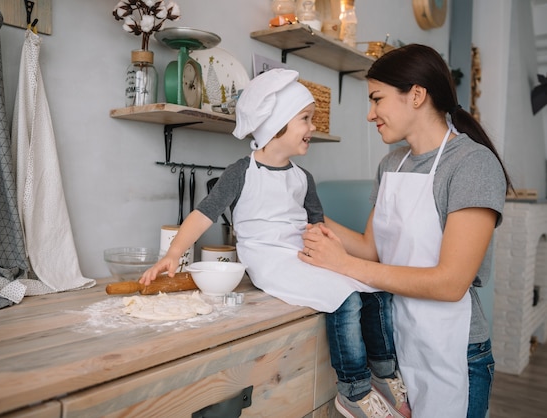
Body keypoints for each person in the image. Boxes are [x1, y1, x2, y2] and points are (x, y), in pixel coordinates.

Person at [141, 68, 410, 418]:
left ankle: (385, 373)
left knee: (374, 290)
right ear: (277, 123)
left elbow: (316, 225)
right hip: (269, 261)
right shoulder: (241, 172)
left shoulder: (304, 178)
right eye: (305, 119)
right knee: (344, 298)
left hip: (302, 255)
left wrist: (333, 255)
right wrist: (173, 254)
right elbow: (203, 214)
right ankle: (354, 390)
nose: (313, 127)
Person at [299, 44, 512, 418]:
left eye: (377, 99)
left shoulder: (472, 165)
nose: (370, 114)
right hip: (395, 348)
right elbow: (372, 249)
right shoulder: (392, 164)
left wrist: (342, 264)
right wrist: (304, 211)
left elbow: (450, 283)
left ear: (416, 94)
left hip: (453, 351)